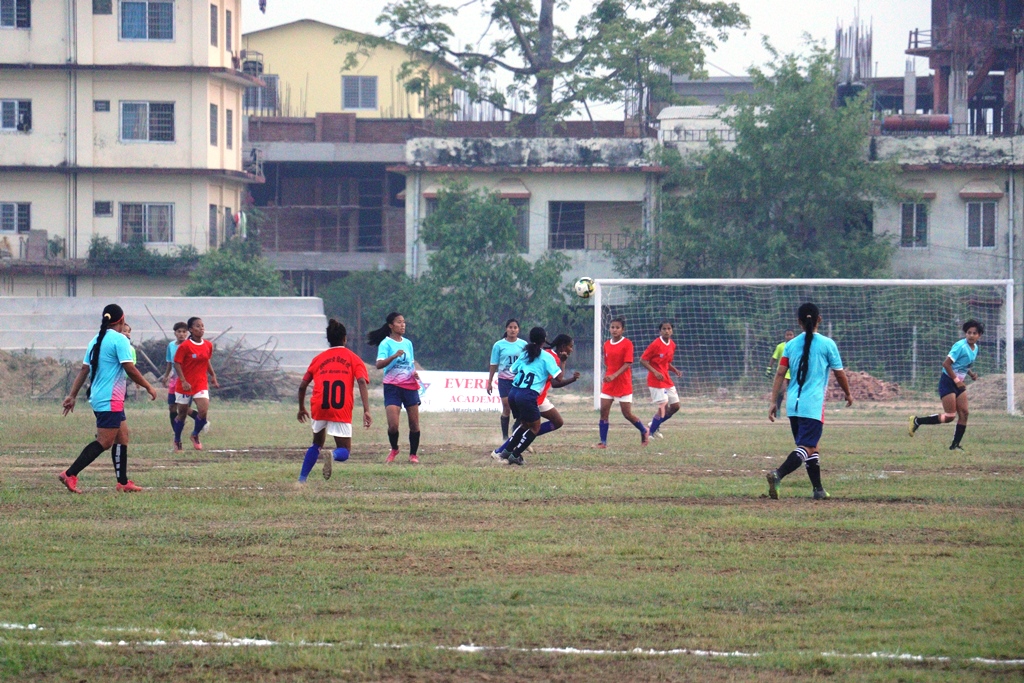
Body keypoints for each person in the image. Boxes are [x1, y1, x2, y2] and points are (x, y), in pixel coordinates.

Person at [58, 304, 158, 494]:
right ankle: (70, 474)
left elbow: (84, 370)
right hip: (109, 398)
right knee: (105, 442)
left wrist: (72, 395)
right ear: (121, 320)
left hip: (102, 397)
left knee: (123, 437)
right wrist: (148, 386)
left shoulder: (95, 340)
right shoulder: (120, 340)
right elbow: (130, 368)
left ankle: (122, 482)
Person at [766, 303, 852, 500]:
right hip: (812, 405)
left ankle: (818, 490)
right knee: (807, 446)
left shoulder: (790, 345)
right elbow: (839, 374)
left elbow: (780, 374)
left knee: (811, 446)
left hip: (792, 406)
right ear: (819, 319)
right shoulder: (828, 344)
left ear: (799, 322)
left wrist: (773, 402)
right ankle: (778, 474)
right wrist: (848, 394)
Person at [297, 319, 372, 482]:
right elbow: (361, 381)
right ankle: (332, 455)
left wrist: (301, 408)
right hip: (340, 407)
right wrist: (366, 410)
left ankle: (301, 480)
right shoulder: (353, 358)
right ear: (345, 339)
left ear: (329, 339)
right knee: (344, 450)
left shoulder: (318, 359)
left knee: (316, 444)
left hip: (319, 405)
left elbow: (302, 386)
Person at [493, 334, 579, 460]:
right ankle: (502, 452)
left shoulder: (543, 352)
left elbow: (515, 369)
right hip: (532, 397)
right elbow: (556, 382)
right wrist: (571, 376)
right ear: (563, 346)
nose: (572, 349)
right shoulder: (551, 358)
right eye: (570, 346)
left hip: (528, 394)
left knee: (556, 422)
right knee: (526, 426)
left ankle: (507, 449)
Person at [909, 320, 984, 451]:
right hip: (948, 382)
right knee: (950, 416)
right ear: (965, 333)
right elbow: (946, 364)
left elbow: (964, 364)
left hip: (959, 383)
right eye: (968, 333)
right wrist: (957, 381)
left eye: (974, 333)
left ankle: (955, 446)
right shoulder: (960, 346)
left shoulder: (975, 348)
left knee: (965, 413)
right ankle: (917, 421)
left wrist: (971, 374)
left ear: (979, 335)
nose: (971, 335)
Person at [501, 327, 565, 466]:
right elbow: (559, 378)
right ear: (544, 339)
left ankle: (507, 451)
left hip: (514, 392)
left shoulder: (525, 353)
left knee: (525, 424)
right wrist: (563, 361)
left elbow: (512, 370)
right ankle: (515, 455)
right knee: (535, 427)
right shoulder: (546, 356)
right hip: (527, 395)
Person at [368, 312, 421, 463]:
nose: (403, 325)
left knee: (414, 424)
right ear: (391, 325)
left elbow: (410, 364)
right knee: (393, 425)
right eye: (399, 322)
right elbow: (379, 364)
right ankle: (394, 449)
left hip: (409, 385)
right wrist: (394, 356)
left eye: (404, 322)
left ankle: (413, 455)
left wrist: (414, 373)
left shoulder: (408, 343)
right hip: (392, 387)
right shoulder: (386, 343)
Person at [596, 318, 648, 448]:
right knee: (604, 412)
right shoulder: (606, 344)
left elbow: (628, 363)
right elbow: (608, 363)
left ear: (622, 329)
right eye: (612, 327)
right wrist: (609, 376)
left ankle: (644, 430)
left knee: (627, 414)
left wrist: (614, 375)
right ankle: (603, 442)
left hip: (623, 383)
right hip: (609, 384)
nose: (614, 330)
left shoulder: (627, 344)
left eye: (617, 327)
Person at [172, 317, 219, 451]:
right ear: (191, 330)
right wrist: (183, 380)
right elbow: (177, 363)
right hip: (185, 385)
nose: (201, 328)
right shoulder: (185, 346)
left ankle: (195, 435)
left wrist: (213, 376)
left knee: (203, 411)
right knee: (181, 414)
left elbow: (206, 361)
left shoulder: (208, 345)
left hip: (200, 383)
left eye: (202, 326)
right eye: (198, 326)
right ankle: (177, 440)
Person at [161, 322, 201, 448]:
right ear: (175, 333)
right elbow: (169, 362)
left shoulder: (190, 345)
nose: (182, 334)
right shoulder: (171, 346)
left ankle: (201, 420)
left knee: (182, 410)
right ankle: (176, 436)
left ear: (188, 333)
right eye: (179, 332)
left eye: (184, 332)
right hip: (174, 380)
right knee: (172, 407)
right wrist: (166, 375)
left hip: (187, 382)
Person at [639, 321, 682, 439]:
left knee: (675, 406)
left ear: (672, 331)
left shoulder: (672, 344)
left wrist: (675, 370)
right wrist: (655, 372)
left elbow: (666, 362)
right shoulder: (655, 344)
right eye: (664, 329)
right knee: (663, 406)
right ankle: (650, 433)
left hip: (666, 379)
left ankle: (654, 424)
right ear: (660, 331)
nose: (667, 331)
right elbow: (642, 360)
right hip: (655, 380)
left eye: (669, 329)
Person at [487, 319, 527, 441]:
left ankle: (516, 434)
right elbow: (494, 363)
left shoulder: (523, 345)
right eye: (510, 327)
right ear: (506, 329)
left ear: (518, 330)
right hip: (504, 380)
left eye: (515, 327)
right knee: (506, 406)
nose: (512, 330)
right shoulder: (498, 345)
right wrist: (489, 382)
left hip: (519, 380)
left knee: (521, 408)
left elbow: (527, 362)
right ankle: (505, 437)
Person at [766, 329, 796, 415]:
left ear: (794, 336)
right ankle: (777, 408)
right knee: (782, 390)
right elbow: (774, 358)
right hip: (783, 372)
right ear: (785, 336)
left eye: (791, 335)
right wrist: (769, 368)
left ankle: (793, 410)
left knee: (793, 391)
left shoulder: (797, 346)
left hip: (793, 372)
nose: (789, 337)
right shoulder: (780, 346)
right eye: (787, 335)